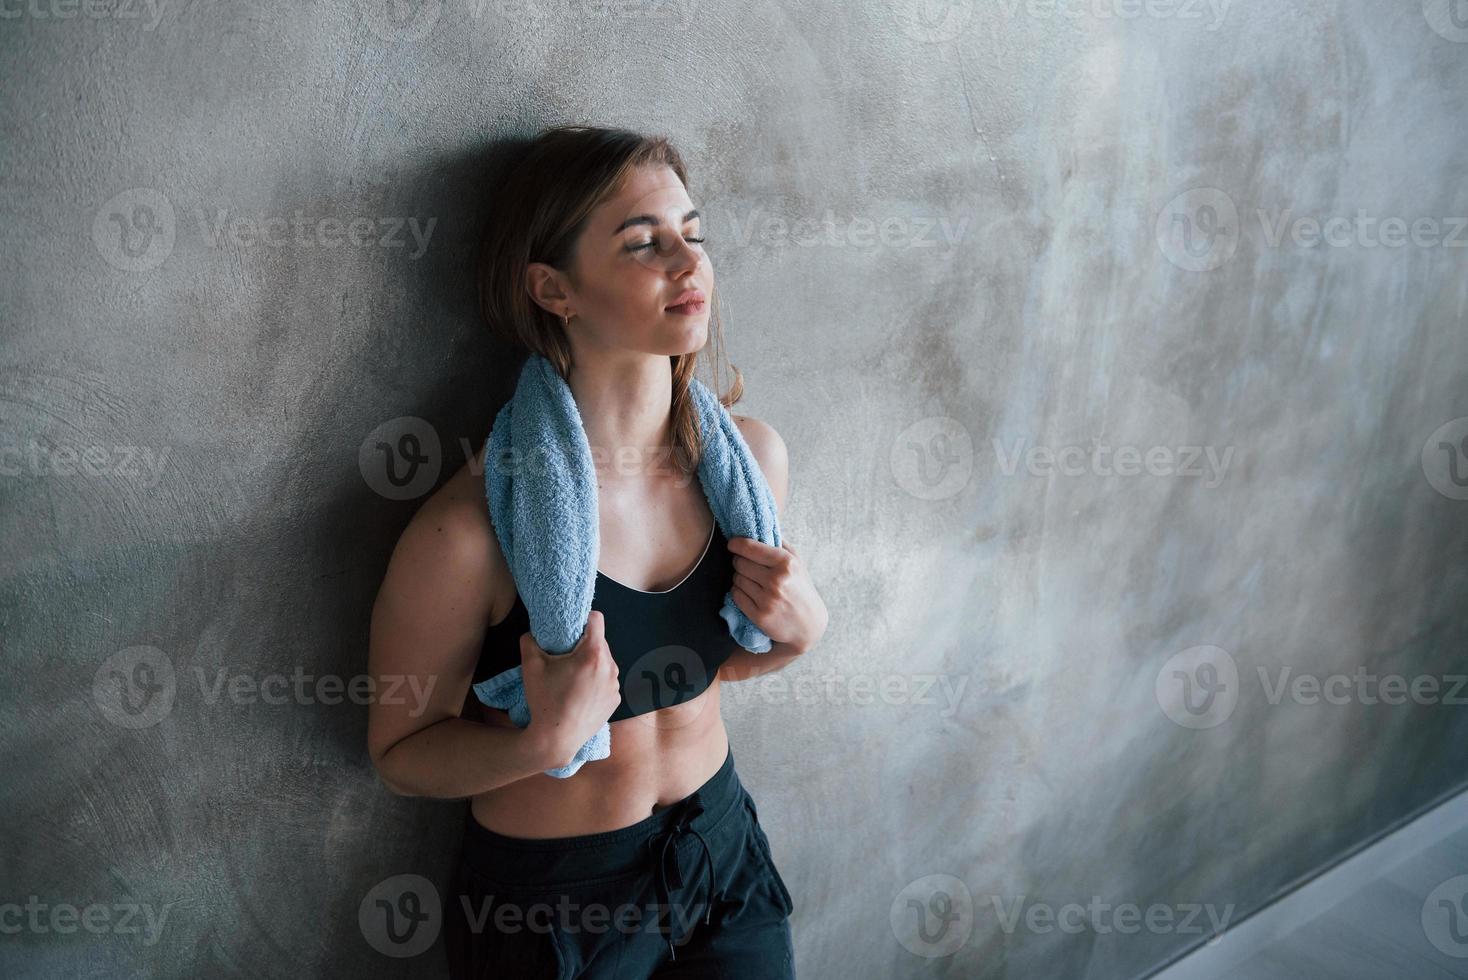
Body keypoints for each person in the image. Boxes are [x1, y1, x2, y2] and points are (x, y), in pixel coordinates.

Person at [366, 124, 829, 979]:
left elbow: (695, 669)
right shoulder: (470, 533)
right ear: (553, 288)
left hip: (719, 857)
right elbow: (399, 754)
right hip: (556, 909)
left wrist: (798, 639)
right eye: (645, 243)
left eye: (693, 234)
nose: (690, 267)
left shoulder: (752, 465)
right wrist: (535, 747)